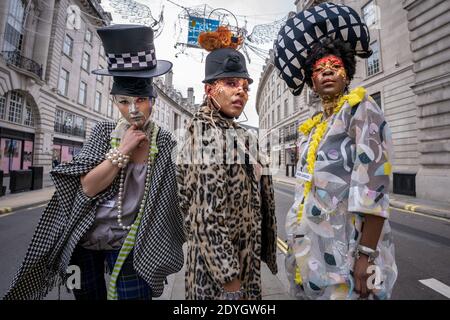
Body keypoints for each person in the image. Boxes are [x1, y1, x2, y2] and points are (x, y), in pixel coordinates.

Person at [3, 25, 184, 300]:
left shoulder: (166, 141)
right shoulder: (102, 132)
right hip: (85, 240)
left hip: (132, 243)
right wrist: (123, 150)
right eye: (124, 101)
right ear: (114, 102)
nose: (132, 109)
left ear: (152, 102)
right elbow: (87, 187)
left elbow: (180, 189)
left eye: (140, 100)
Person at [273, 3, 397, 300]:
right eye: (319, 69)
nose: (327, 73)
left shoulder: (362, 109)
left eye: (335, 67)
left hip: (346, 259)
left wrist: (365, 257)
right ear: (311, 81)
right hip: (310, 260)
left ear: (347, 73)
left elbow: (374, 190)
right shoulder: (314, 127)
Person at [176, 26, 277, 300]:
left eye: (244, 86)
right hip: (218, 280)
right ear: (210, 89)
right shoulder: (206, 134)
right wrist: (231, 284)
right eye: (231, 84)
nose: (241, 92)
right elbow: (206, 220)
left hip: (243, 265)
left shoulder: (238, 134)